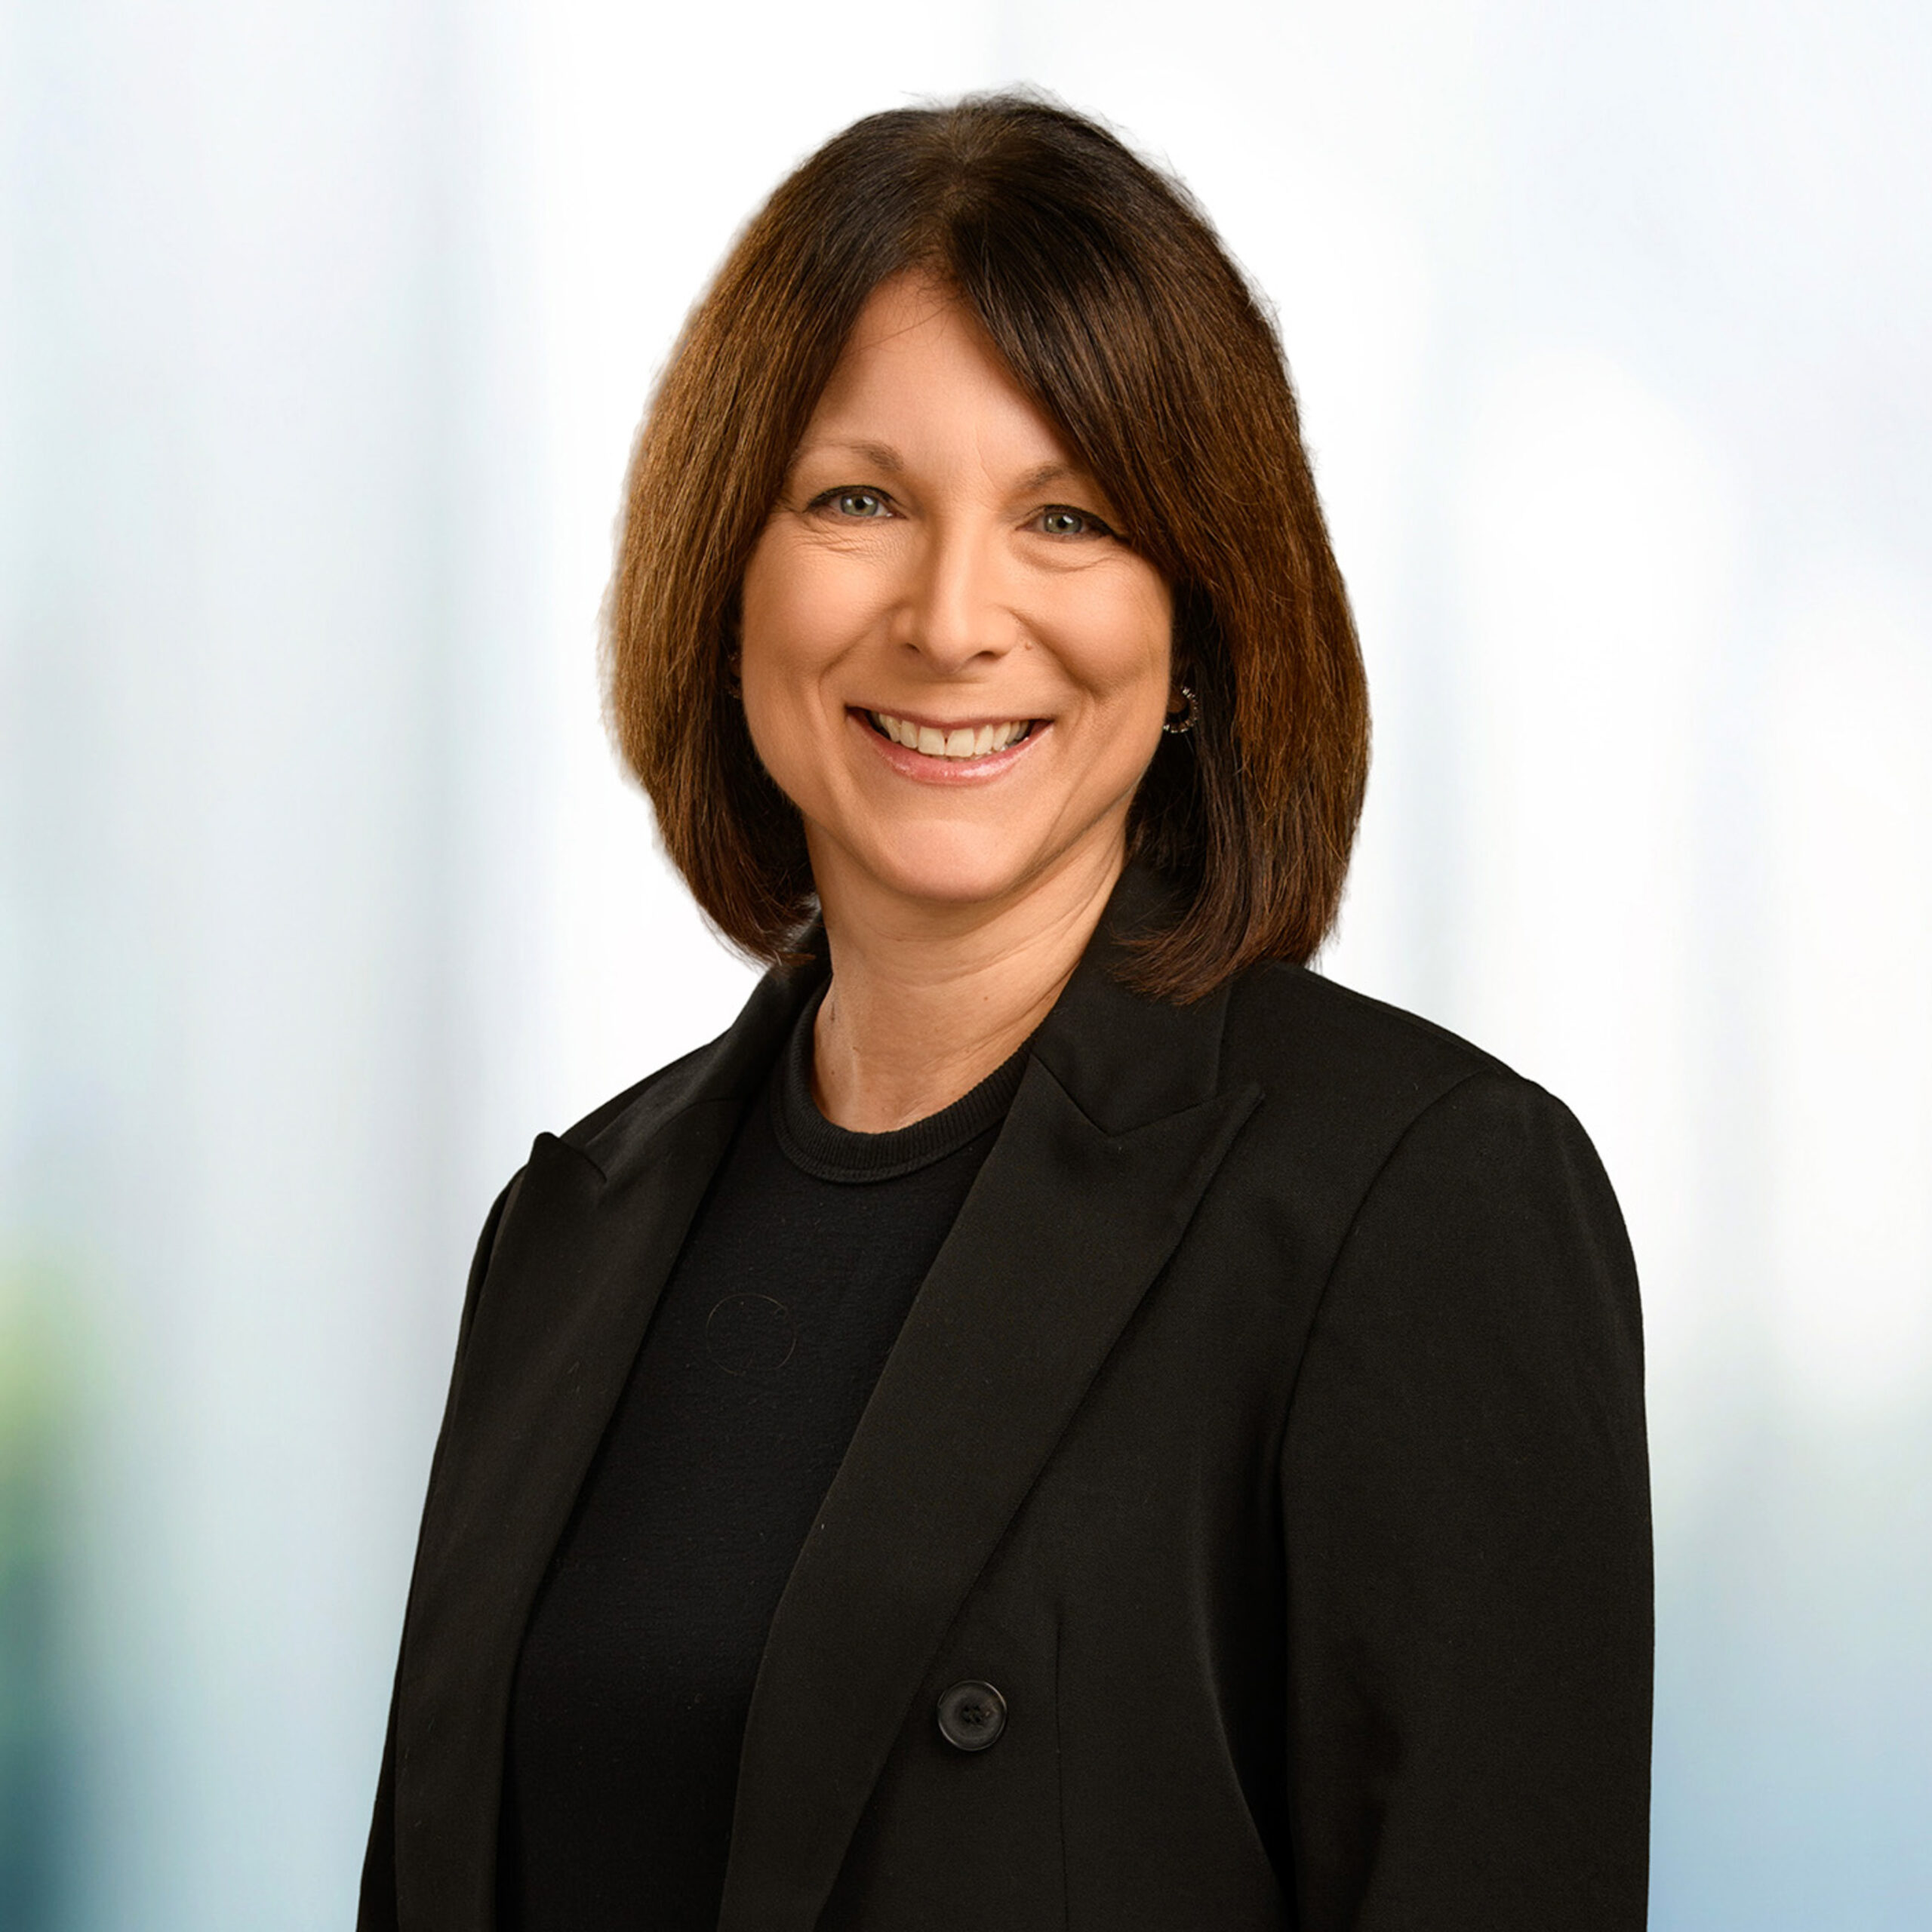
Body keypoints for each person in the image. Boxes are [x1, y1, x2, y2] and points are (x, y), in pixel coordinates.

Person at [358, 94, 1652, 1932]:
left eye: (1067, 515)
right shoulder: (568, 1229)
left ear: (1198, 619)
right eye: (859, 500)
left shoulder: (1416, 1208)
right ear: (728, 566)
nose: (954, 617)